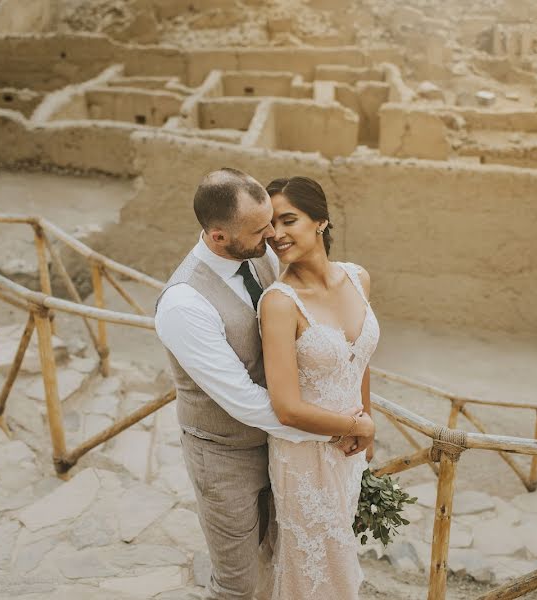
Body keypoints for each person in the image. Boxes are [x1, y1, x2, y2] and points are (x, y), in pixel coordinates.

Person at [154, 168, 374, 600]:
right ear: (219, 237)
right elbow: (245, 402)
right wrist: (338, 429)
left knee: (281, 557)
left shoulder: (261, 251)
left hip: (287, 447)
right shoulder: (184, 303)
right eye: (261, 228)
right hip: (226, 456)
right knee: (236, 583)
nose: (272, 235)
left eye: (274, 220)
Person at [257, 175, 379, 599]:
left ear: (321, 221)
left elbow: (358, 360)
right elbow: (286, 407)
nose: (277, 234)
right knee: (315, 575)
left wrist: (368, 424)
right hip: (304, 455)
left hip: (349, 453)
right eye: (271, 225)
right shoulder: (279, 302)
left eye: (288, 220)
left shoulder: (358, 278)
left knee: (339, 562)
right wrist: (356, 428)